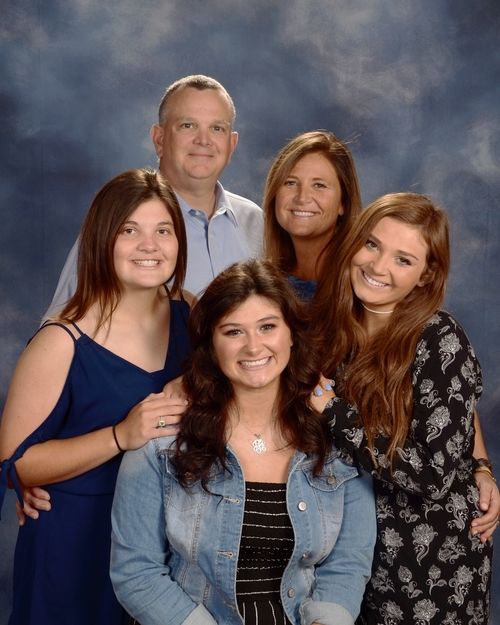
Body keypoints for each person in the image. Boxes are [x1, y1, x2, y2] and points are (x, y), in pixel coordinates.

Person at [110, 259, 376, 625]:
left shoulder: (336, 441)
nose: (253, 347)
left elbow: (348, 563)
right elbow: (136, 573)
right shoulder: (162, 442)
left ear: (292, 334)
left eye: (268, 326)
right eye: (233, 331)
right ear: (211, 345)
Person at [0, 169, 193, 625]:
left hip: (166, 538)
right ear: (102, 240)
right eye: (130, 231)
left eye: (163, 230)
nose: (149, 245)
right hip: (76, 542)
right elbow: (15, 463)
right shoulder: (61, 340)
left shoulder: (191, 311)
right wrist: (119, 435)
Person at [311, 193, 493, 624]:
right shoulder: (333, 329)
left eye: (403, 260)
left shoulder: (440, 340)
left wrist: (333, 412)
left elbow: (432, 474)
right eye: (372, 244)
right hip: (346, 554)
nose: (378, 267)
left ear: (426, 275)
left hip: (429, 565)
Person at [45, 74, 263, 315]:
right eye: (187, 126)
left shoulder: (255, 221)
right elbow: (62, 323)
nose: (203, 140)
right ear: (159, 139)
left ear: (232, 144)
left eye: (217, 128)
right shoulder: (118, 219)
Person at [263, 130, 362, 301]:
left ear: (343, 203)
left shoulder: (361, 279)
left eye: (319, 185)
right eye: (290, 183)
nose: (302, 198)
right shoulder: (267, 281)